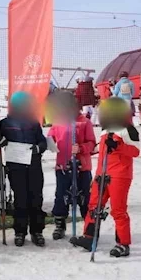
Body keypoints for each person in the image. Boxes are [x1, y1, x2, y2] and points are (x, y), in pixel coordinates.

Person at [71, 97, 139, 258]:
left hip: (119, 175)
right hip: (102, 174)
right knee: (93, 206)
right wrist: (81, 149)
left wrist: (118, 146)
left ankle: (123, 243)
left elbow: (136, 151)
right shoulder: (105, 129)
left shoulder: (127, 128)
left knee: (118, 210)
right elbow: (99, 150)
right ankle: (89, 237)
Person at [0, 92, 47, 247]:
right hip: (16, 166)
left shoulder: (33, 123)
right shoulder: (5, 123)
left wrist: (38, 148)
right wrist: (0, 140)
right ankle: (20, 231)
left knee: (36, 198)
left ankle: (37, 231)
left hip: (34, 165)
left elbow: (42, 142)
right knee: (20, 199)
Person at [46, 90, 96, 241]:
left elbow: (92, 143)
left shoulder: (84, 122)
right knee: (61, 196)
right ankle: (60, 224)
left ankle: (89, 227)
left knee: (85, 197)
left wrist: (81, 148)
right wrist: (50, 143)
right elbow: (50, 137)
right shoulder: (58, 121)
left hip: (82, 167)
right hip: (63, 166)